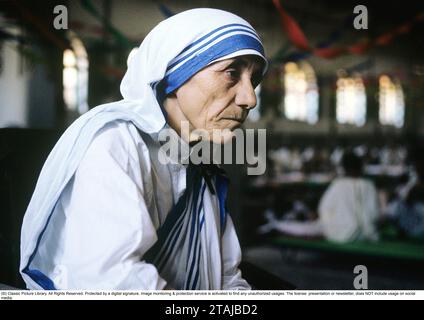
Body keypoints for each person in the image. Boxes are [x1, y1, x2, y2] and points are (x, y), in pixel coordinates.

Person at [20, 8, 267, 290]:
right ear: (175, 74)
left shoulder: (200, 171)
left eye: (254, 79)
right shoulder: (114, 145)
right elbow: (109, 282)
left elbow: (226, 279)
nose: (250, 99)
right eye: (231, 72)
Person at [258, 151, 380, 243]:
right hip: (368, 233)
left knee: (312, 226)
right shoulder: (369, 185)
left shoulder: (338, 184)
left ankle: (276, 226)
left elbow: (324, 209)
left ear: (344, 168)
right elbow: (376, 213)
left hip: (342, 234)